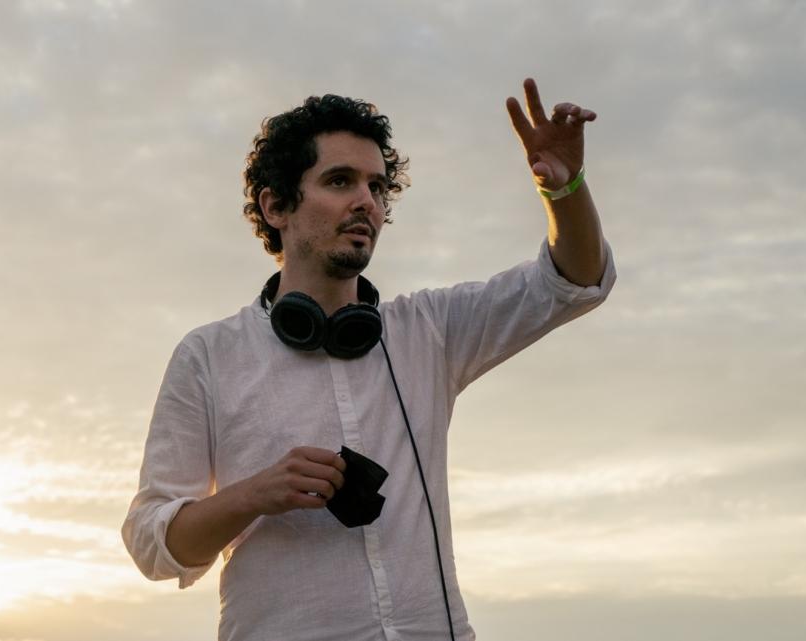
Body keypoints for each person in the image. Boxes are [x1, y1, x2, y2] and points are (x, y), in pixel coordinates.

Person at [122, 78, 615, 641]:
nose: (367, 202)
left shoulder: (430, 330)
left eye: (378, 187)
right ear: (276, 205)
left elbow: (573, 282)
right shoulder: (208, 356)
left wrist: (565, 189)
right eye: (340, 181)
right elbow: (152, 544)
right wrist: (255, 493)